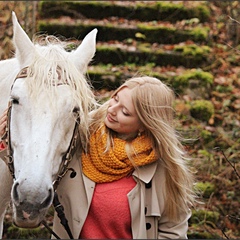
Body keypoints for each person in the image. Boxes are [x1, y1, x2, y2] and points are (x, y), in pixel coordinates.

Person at [0, 76, 195, 239]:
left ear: (145, 124)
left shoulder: (164, 172)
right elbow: (39, 161)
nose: (112, 110)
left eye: (125, 112)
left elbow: (173, 232)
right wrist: (4, 140)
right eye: (115, 99)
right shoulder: (84, 136)